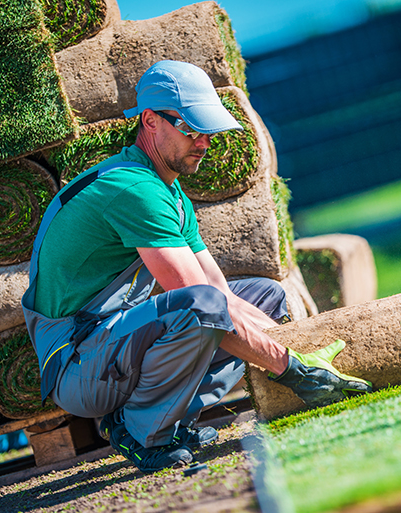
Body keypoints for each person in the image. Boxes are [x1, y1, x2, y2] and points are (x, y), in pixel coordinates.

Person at [22, 60, 372, 473]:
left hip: (113, 344)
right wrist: (292, 368)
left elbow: (221, 294)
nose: (204, 142)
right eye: (192, 128)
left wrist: (298, 347)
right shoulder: (133, 190)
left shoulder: (168, 193)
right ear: (150, 121)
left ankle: (162, 416)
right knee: (201, 310)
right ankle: (140, 430)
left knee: (267, 296)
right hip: (79, 367)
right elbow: (204, 306)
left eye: (208, 130)